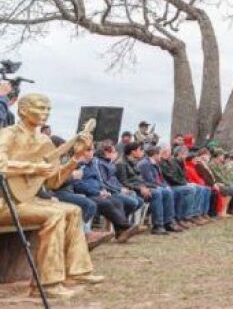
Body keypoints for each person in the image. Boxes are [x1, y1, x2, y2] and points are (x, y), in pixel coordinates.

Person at [0, 93, 105, 299]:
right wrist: (35, 167)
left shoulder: (46, 142)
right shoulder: (8, 134)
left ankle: (78, 271)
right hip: (4, 201)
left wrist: (75, 158)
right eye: (40, 108)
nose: (46, 113)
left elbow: (53, 181)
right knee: (53, 215)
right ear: (23, 110)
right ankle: (48, 284)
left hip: (25, 200)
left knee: (74, 210)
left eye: (48, 109)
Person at [71, 142, 141, 243]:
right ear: (81, 152)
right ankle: (126, 227)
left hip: (97, 192)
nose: (92, 152)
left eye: (92, 149)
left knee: (117, 201)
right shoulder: (75, 165)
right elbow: (78, 185)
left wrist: (103, 190)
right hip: (86, 194)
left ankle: (120, 232)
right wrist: (97, 192)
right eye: (89, 150)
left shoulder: (90, 165)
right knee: (106, 203)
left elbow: (98, 181)